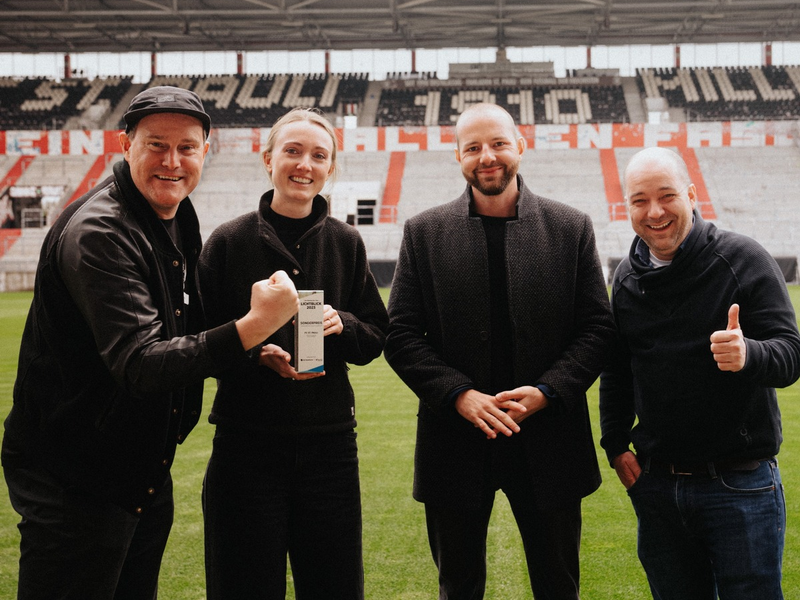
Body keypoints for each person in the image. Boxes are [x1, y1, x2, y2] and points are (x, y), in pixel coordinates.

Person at [2, 85, 300, 600]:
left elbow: (184, 322)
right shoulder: (101, 231)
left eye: (186, 147)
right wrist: (254, 325)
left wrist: (250, 351)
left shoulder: (173, 217)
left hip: (137, 468)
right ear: (125, 145)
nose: (172, 161)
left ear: (206, 151)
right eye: (156, 145)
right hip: (77, 478)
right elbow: (140, 363)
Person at [384, 102, 614, 600]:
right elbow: (400, 334)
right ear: (458, 156)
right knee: (458, 587)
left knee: (558, 586)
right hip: (456, 440)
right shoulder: (423, 232)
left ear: (521, 146)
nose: (487, 157)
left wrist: (549, 390)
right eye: (473, 148)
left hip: (548, 438)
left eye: (498, 144)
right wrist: (459, 395)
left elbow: (598, 328)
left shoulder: (570, 226)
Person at [198, 107, 388, 600]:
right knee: (242, 585)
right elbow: (195, 343)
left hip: (329, 447)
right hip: (246, 444)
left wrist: (341, 324)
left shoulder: (346, 242)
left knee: (334, 586)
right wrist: (254, 353)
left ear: (330, 169)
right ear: (268, 160)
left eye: (318, 156)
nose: (305, 164)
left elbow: (375, 336)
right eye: (293, 151)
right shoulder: (226, 242)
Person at [599, 146, 800, 599]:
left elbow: (791, 354)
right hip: (658, 486)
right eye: (639, 200)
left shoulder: (744, 258)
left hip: (739, 483)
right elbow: (617, 368)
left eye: (667, 196)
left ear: (691, 194)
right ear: (625, 206)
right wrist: (614, 444)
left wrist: (748, 354)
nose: (654, 212)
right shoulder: (627, 278)